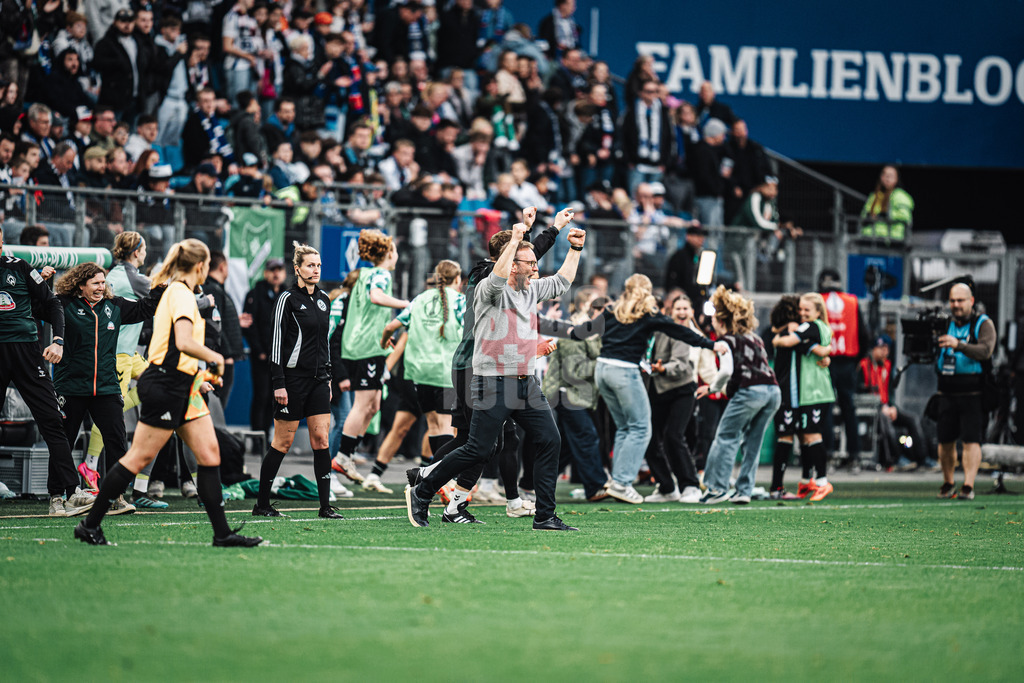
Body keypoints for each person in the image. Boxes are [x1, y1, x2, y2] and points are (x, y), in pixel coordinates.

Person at [74, 238, 262, 547]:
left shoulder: (179, 291)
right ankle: (90, 525)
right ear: (200, 267)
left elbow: (179, 348)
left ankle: (222, 533)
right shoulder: (181, 294)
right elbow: (185, 341)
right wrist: (215, 358)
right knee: (138, 458)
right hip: (167, 384)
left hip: (181, 384)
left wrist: (197, 377)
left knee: (209, 454)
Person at [405, 219, 587, 531]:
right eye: (529, 263)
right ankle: (423, 489)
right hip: (492, 381)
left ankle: (544, 515)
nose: (535, 268)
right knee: (477, 448)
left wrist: (576, 248)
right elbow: (501, 272)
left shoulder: (529, 289)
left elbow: (562, 282)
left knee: (549, 439)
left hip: (525, 383)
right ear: (512, 264)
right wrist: (516, 237)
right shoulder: (489, 287)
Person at [569, 274, 725, 504]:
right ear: (647, 292)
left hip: (603, 371)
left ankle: (617, 482)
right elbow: (680, 331)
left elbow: (581, 331)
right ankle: (622, 483)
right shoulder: (647, 315)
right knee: (641, 428)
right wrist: (712, 344)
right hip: (624, 371)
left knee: (624, 427)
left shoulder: (613, 312)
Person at [52, 263, 165, 515]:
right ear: (80, 285)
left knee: (117, 442)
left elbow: (144, 308)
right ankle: (57, 498)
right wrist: (40, 280)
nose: (101, 288)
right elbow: (37, 305)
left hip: (106, 387)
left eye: (103, 283)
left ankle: (116, 496)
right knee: (63, 442)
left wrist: (161, 287)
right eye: (95, 283)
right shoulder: (63, 304)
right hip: (71, 387)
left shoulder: (114, 306)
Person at [0, 225, 94, 517]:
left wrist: (58, 340)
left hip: (27, 352)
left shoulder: (21, 267)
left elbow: (51, 304)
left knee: (53, 420)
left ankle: (69, 493)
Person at [252, 244, 340, 520]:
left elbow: (324, 344)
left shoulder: (325, 299)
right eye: (310, 265)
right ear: (297, 269)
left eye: (319, 265)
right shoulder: (287, 299)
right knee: (283, 442)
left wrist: (327, 379)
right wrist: (279, 383)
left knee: (321, 439)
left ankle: (325, 507)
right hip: (292, 382)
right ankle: (262, 504)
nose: (315, 270)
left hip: (318, 382)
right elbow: (276, 345)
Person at [376, 260, 465, 495]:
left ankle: (437, 479)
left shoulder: (420, 300)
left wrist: (385, 341)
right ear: (458, 280)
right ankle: (442, 481)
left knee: (434, 426)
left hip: (419, 373)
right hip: (446, 373)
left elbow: (391, 326)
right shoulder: (461, 302)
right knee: (446, 427)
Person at [333, 230, 409, 483]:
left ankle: (348, 455)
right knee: (362, 405)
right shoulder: (380, 274)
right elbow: (375, 298)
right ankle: (343, 456)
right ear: (389, 253)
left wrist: (382, 333)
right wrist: (407, 304)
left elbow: (365, 312)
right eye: (395, 250)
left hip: (368, 345)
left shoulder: (364, 274)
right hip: (364, 348)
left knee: (374, 405)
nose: (396, 255)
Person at [697, 286, 781, 504]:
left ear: (721, 320)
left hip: (750, 391)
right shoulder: (754, 338)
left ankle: (717, 488)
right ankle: (744, 490)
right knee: (753, 442)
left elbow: (725, 370)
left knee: (725, 437)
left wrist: (712, 388)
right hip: (773, 391)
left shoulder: (725, 341)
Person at [933, 282, 996, 500]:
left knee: (971, 440)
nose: (956, 305)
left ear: (971, 301)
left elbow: (986, 351)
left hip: (973, 391)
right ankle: (948, 481)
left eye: (960, 300)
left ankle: (968, 485)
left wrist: (958, 345)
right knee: (945, 440)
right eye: (952, 301)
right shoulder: (944, 323)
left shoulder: (983, 324)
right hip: (946, 389)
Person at [773, 293, 836, 501]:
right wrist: (824, 351)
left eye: (806, 310)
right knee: (805, 434)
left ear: (818, 311)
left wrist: (778, 337)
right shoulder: (816, 329)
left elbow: (789, 341)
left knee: (811, 435)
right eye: (800, 309)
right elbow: (816, 348)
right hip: (809, 392)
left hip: (814, 391)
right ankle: (807, 480)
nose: (802, 313)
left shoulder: (810, 327)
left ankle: (822, 482)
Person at [644, 294, 705, 504]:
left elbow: (681, 364)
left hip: (682, 389)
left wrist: (663, 368)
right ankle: (667, 487)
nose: (681, 312)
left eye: (684, 308)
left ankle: (691, 485)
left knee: (673, 436)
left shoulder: (678, 331)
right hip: (657, 389)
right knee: (648, 438)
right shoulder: (646, 329)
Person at [858, 336, 937, 471]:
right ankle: (896, 458)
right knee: (885, 421)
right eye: (880, 348)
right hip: (872, 410)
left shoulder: (887, 366)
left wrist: (892, 406)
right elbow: (860, 392)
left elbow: (890, 392)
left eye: (886, 348)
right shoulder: (864, 366)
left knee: (912, 419)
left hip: (887, 407)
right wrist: (880, 407)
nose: (884, 352)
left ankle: (922, 458)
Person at [818, 268, 870, 468]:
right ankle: (854, 455)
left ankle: (829, 453)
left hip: (825, 360)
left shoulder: (818, 301)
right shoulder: (852, 302)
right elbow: (864, 334)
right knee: (849, 409)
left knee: (827, 407)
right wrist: (857, 360)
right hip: (848, 361)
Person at [243, 259, 287, 439]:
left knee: (274, 398)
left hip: (281, 358)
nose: (276, 274)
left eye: (279, 270)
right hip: (261, 357)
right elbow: (249, 325)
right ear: (266, 273)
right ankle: (256, 438)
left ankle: (268, 438)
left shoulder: (287, 295)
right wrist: (260, 350)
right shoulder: (255, 294)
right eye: (272, 270)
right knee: (261, 396)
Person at [860, 165, 913, 241]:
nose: (887, 178)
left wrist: (883, 216)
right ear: (881, 177)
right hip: (870, 239)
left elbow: (905, 218)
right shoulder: (874, 196)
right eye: (885, 175)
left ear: (896, 179)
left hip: (893, 240)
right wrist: (869, 216)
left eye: (891, 176)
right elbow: (863, 215)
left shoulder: (900, 196)